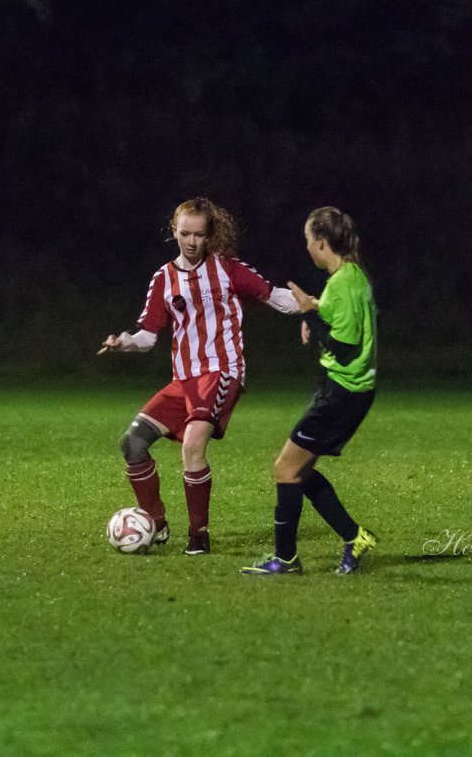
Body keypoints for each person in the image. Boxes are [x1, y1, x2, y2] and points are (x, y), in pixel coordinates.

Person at [100, 197, 299, 555]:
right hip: (184, 381)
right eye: (185, 233)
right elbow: (147, 337)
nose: (191, 241)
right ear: (173, 232)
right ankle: (156, 524)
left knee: (193, 446)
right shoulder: (163, 278)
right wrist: (123, 343)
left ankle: (198, 536)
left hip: (221, 372)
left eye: (199, 235)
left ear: (210, 236)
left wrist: (316, 305)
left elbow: (275, 297)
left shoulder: (227, 269)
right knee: (132, 444)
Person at [241, 207, 378, 576]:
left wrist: (308, 315)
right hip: (347, 392)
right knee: (297, 471)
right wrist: (316, 310)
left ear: (320, 243)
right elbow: (339, 316)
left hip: (342, 394)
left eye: (307, 242)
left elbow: (344, 348)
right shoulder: (349, 277)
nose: (306, 248)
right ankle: (354, 537)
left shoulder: (345, 284)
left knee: (286, 469)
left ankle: (286, 559)